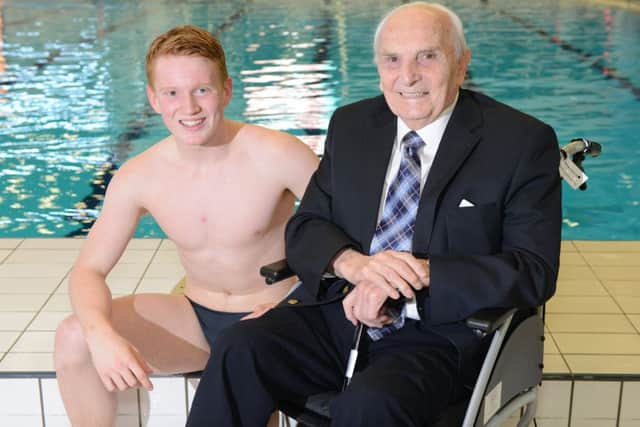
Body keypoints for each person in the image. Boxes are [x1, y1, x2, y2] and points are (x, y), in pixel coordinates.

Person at [186, 2, 561, 426]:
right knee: (240, 346)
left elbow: (533, 271)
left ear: (461, 63)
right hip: (340, 314)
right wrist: (356, 266)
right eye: (393, 60)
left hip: (437, 335)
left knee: (368, 405)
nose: (408, 76)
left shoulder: (519, 143)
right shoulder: (353, 126)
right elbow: (307, 227)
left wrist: (415, 273)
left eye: (428, 56)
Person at [53, 25, 319, 427]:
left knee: (245, 361)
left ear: (226, 90)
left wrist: (295, 305)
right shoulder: (140, 175)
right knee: (74, 337)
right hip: (197, 316)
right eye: (173, 93)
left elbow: (351, 237)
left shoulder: (278, 155)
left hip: (277, 316)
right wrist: (100, 334)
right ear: (153, 99)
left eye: (202, 90)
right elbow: (88, 270)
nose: (189, 107)